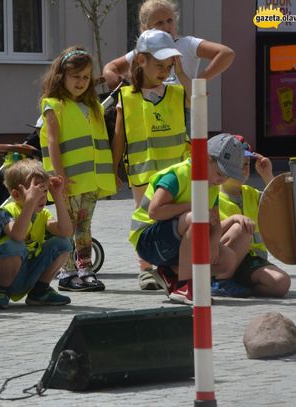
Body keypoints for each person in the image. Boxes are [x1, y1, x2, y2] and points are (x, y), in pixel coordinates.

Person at [111, 29, 191, 290]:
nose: (165, 71)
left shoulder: (177, 93)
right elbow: (119, 137)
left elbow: (197, 96)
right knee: (146, 221)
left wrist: (180, 73)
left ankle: (168, 267)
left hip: (174, 174)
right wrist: (114, 171)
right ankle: (145, 269)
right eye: (160, 65)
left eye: (169, 66)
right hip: (142, 173)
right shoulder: (127, 97)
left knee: (171, 222)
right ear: (141, 60)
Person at [130, 134, 248, 305]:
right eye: (220, 172)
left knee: (227, 260)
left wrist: (214, 243)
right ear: (207, 159)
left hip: (174, 242)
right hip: (148, 241)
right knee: (197, 217)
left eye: (228, 176)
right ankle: (184, 286)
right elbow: (154, 212)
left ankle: (170, 273)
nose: (222, 179)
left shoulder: (212, 186)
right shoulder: (178, 174)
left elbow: (214, 220)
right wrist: (192, 206)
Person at [39, 46, 116, 292]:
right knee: (67, 227)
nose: (81, 82)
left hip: (91, 180)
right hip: (69, 180)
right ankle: (66, 272)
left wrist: (112, 173)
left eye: (85, 77)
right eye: (76, 77)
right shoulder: (53, 105)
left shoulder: (94, 106)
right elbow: (52, 141)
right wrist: (59, 174)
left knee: (84, 226)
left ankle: (85, 269)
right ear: (62, 76)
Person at [0, 160, 73, 309]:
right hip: (0, 275)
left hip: (26, 272)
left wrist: (57, 196)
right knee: (15, 245)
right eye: (35, 193)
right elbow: (17, 236)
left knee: (63, 243)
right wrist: (30, 203)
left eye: (44, 191)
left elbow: (66, 231)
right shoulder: (6, 212)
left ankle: (39, 292)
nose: (42, 198)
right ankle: (1, 291)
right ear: (16, 195)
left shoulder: (43, 214)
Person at [216, 136, 291, 298]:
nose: (243, 169)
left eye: (246, 164)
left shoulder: (252, 194)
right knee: (240, 228)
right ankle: (219, 282)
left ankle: (241, 288)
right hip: (219, 259)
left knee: (281, 283)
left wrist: (267, 176)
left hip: (251, 261)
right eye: (237, 164)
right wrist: (233, 220)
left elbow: (282, 212)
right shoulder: (210, 195)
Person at [102, 0, 235, 91]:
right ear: (146, 27)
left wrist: (198, 84)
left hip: (183, 113)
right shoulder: (143, 52)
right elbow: (111, 67)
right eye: (159, 23)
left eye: (169, 20)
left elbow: (226, 53)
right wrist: (112, 78)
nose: (166, 27)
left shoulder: (187, 43)